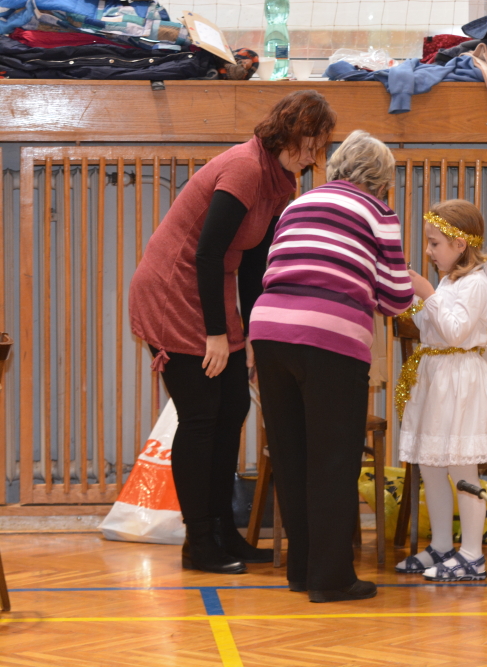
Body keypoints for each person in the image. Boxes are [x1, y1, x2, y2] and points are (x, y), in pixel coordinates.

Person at [129, 90, 337, 574]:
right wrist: (216, 334)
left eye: (320, 146)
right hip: (172, 288)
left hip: (211, 287)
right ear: (289, 132)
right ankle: (199, 542)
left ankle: (225, 532)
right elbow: (205, 253)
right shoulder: (245, 168)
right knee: (201, 414)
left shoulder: (280, 181)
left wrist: (251, 335)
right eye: (310, 143)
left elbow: (252, 264)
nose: (314, 156)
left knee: (234, 407)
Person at [249, 130, 413, 602]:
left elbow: (275, 266)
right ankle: (332, 578)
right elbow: (396, 297)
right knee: (334, 460)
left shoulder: (298, 204)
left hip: (270, 330)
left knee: (291, 456)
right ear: (381, 181)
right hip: (330, 338)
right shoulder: (378, 212)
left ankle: (302, 570)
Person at [394, 199, 487, 582]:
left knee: (463, 467)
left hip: (461, 380)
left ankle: (472, 555)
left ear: (460, 244)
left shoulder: (476, 283)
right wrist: (415, 298)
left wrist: (428, 294)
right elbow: (428, 325)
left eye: (435, 243)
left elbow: (454, 332)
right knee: (431, 465)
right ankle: (442, 546)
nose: (429, 251)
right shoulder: (448, 281)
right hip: (436, 378)